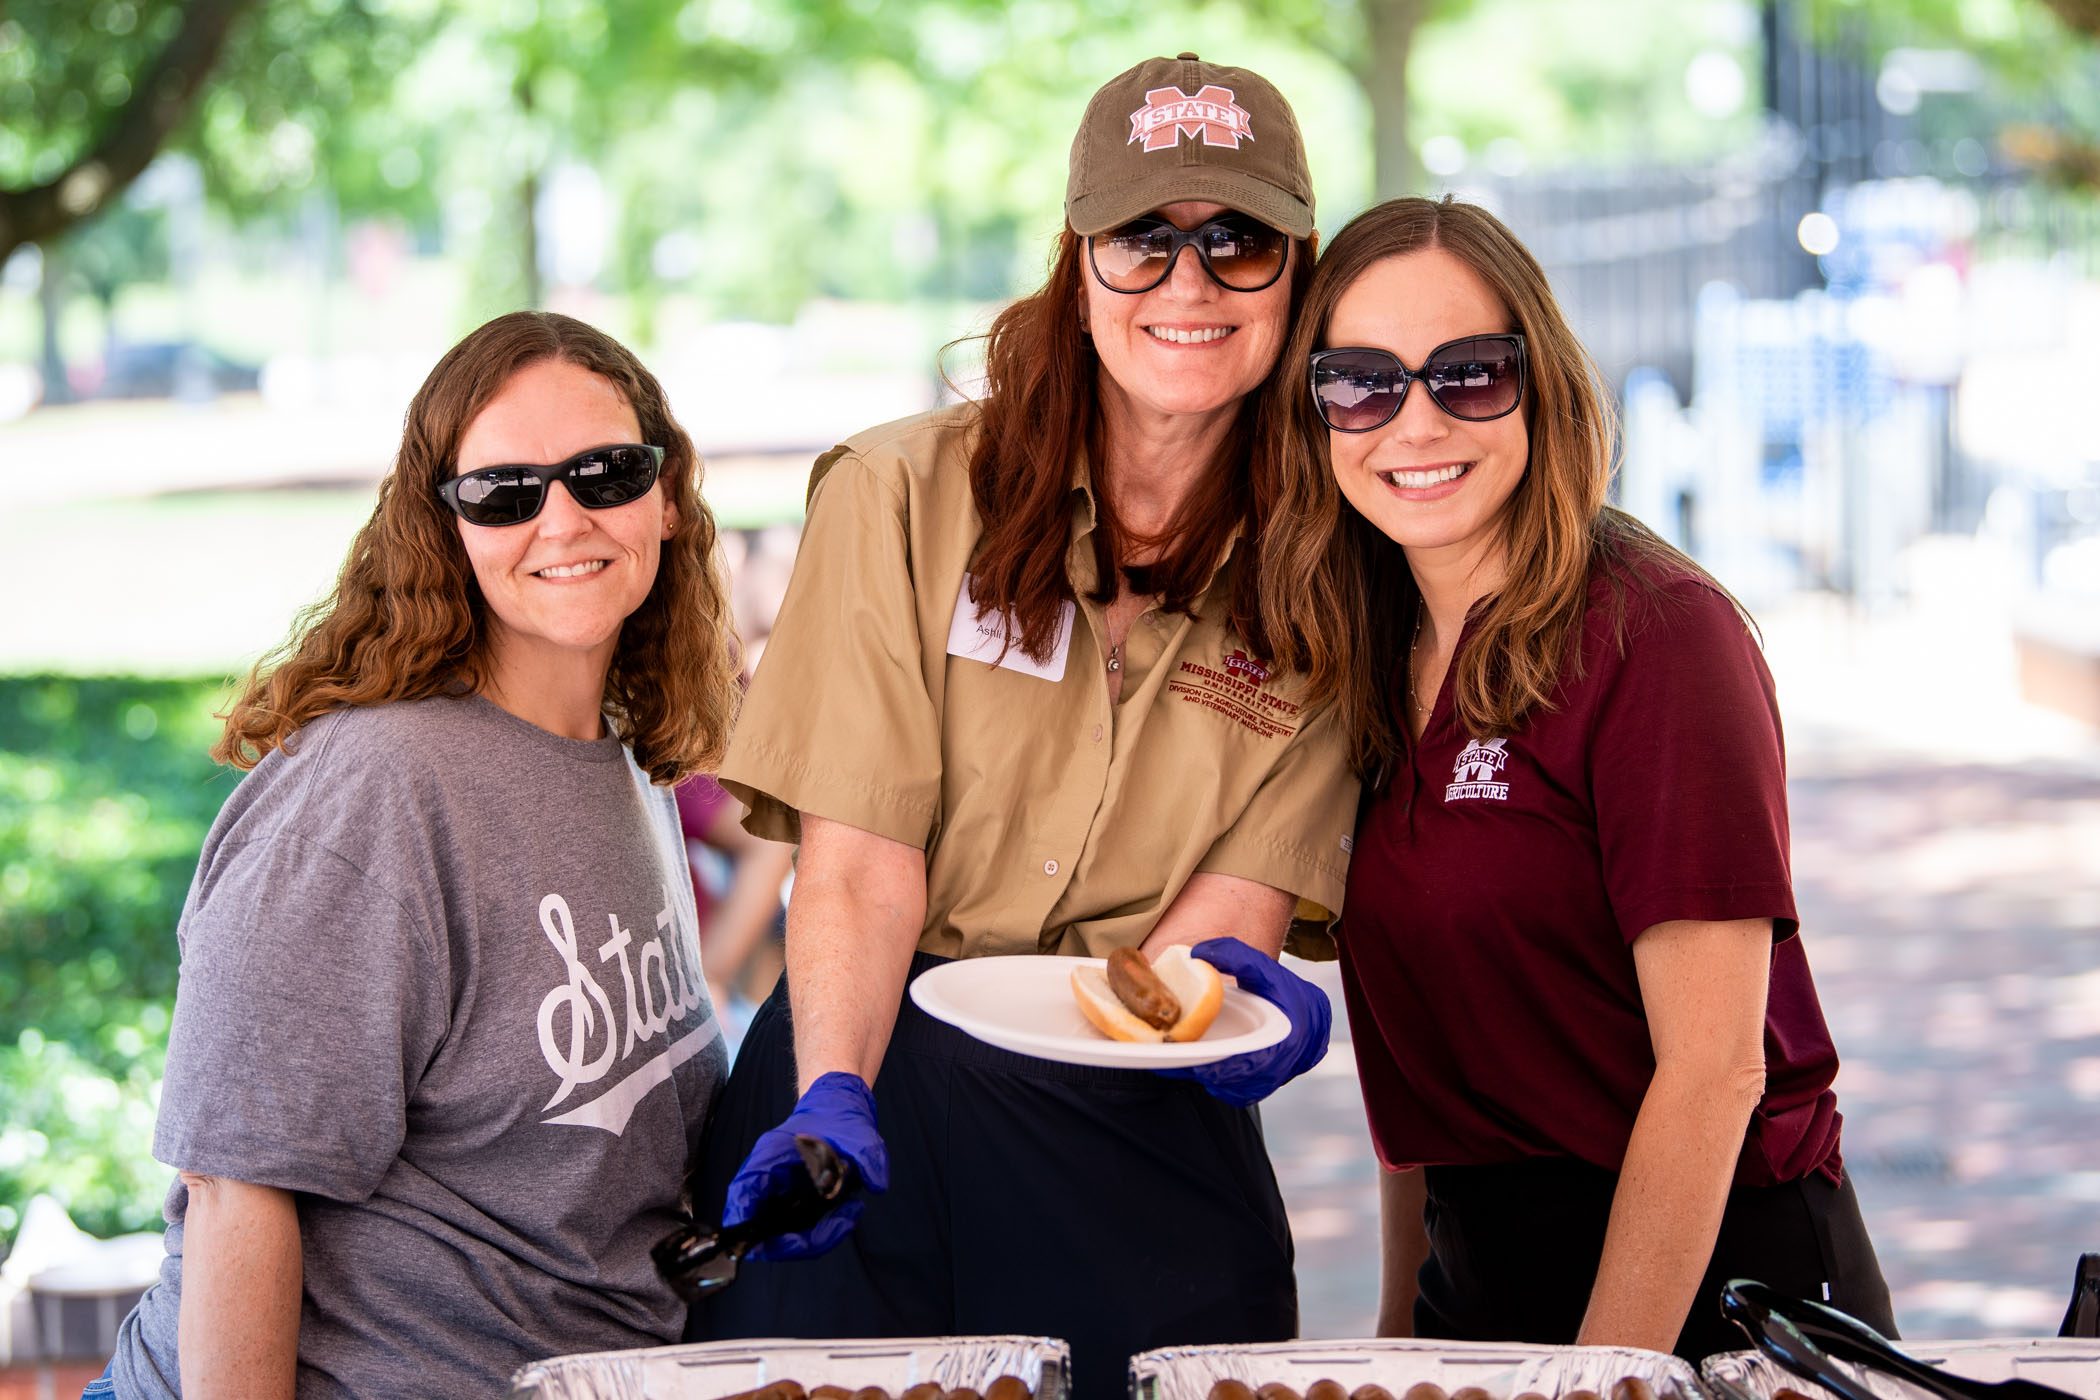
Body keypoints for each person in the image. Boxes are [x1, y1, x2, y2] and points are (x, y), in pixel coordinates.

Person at [685, 55, 1356, 1400]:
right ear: (1077, 260)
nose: (1188, 283)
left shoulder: (1334, 570)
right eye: (1142, 240)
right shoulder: (898, 496)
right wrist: (832, 1097)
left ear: (1298, 268)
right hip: (872, 1074)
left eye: (1236, 242)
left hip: (1133, 1105)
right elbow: (861, 857)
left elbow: (1219, 926)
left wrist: (1229, 987)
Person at [1254, 195, 1896, 1362]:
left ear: (1538, 384)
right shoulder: (1360, 652)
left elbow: (1713, 1072)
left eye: (1469, 374)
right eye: (1361, 380)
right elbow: (1422, 1055)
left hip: (1719, 1299)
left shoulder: (1657, 634)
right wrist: (1403, 1328)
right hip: (1481, 1294)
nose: (1414, 420)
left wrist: (1606, 1378)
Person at [100, 311, 743, 1399]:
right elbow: (234, 1189)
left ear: (666, 495)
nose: (563, 517)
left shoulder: (621, 758)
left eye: (608, 471)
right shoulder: (371, 793)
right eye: (505, 489)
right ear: (444, 524)